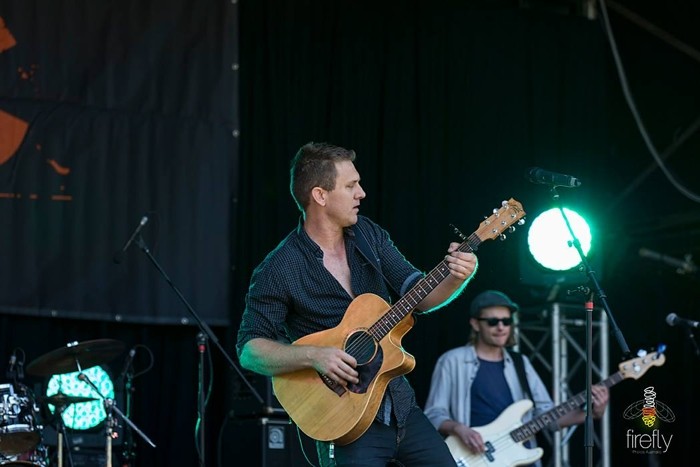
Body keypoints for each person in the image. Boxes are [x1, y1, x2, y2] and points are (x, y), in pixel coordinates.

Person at [236, 142, 478, 466]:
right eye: (351, 186)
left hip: (400, 406)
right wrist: (315, 356)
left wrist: (456, 277)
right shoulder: (279, 268)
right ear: (320, 195)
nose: (361, 193)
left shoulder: (368, 234)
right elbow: (249, 349)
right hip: (343, 420)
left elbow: (418, 295)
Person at [423, 290, 609, 466]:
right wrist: (459, 429)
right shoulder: (452, 360)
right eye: (493, 322)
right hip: (473, 458)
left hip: (521, 460)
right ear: (475, 324)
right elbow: (433, 414)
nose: (501, 327)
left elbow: (547, 416)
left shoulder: (521, 363)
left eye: (506, 321)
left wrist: (591, 414)